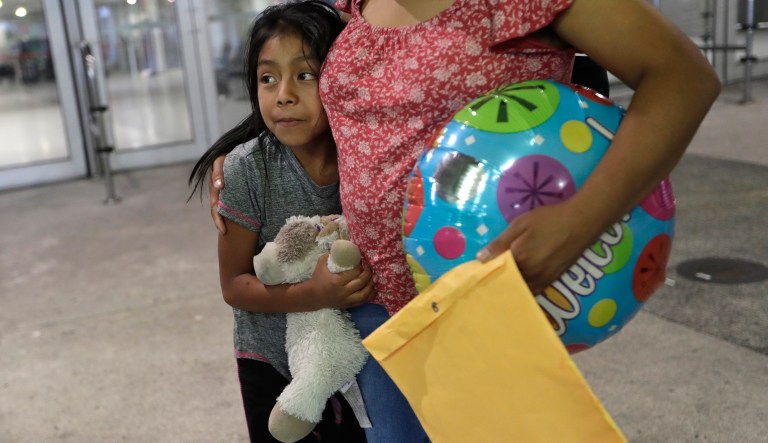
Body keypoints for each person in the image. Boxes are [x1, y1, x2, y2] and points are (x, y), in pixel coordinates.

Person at [208, 1, 721, 442]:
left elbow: (682, 77)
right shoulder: (351, 4)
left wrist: (581, 220)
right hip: (375, 312)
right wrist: (239, 156)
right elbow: (319, 88)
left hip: (481, 307)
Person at [189, 2, 373, 442]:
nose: (283, 94)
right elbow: (233, 285)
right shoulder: (248, 170)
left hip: (355, 358)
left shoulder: (367, 158)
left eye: (305, 75)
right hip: (269, 362)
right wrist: (312, 294)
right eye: (267, 78)